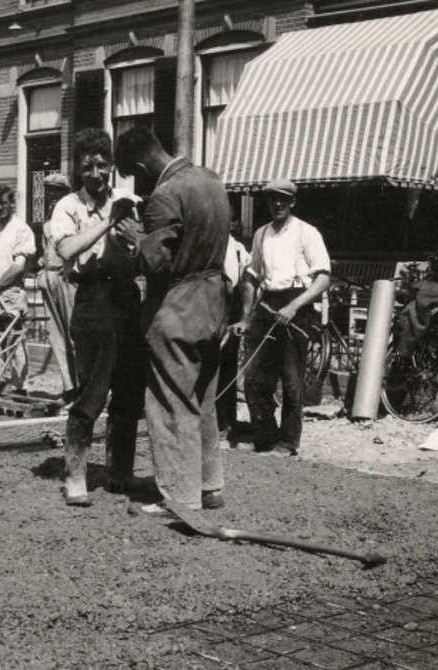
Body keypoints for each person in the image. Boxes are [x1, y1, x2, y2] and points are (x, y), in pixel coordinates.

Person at [111, 126, 230, 516]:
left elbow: (158, 265)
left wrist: (137, 238)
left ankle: (180, 497)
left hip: (179, 306)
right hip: (215, 301)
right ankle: (210, 486)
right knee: (204, 399)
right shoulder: (211, 179)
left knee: (171, 401)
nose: (137, 183)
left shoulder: (165, 194)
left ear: (141, 165)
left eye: (133, 174)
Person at [52, 128, 146, 506]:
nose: (96, 174)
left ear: (111, 166)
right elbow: (66, 251)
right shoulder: (68, 207)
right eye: (88, 167)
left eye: (102, 166)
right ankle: (75, 475)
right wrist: (108, 223)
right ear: (77, 169)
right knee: (92, 390)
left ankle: (120, 472)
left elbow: (141, 251)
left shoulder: (127, 200)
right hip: (92, 299)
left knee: (128, 390)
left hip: (126, 298)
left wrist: (134, 236)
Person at [230, 178, 330, 456]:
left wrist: (294, 306)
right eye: (272, 198)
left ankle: (288, 442)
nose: (277, 203)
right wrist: (245, 317)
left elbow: (323, 279)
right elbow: (252, 277)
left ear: (292, 202)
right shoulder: (262, 234)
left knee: (291, 379)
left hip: (297, 304)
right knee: (255, 377)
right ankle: (264, 435)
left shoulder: (307, 232)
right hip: (268, 304)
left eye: (282, 198)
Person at [0, 184, 36, 394]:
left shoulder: (21, 229)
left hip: (10, 293)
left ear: (12, 203)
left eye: (3, 203)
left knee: (14, 340)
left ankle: (20, 387)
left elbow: (19, 266)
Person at [37, 173, 77, 406]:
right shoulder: (47, 222)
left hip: (67, 278)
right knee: (56, 335)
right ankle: (69, 387)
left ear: (65, 193)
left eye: (57, 191)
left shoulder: (72, 215)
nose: (52, 195)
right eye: (49, 191)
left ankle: (84, 388)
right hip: (50, 277)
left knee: (73, 334)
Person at [216, 211, 252, 441]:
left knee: (227, 367)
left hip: (231, 310)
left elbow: (246, 284)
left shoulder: (238, 249)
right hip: (209, 308)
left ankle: (226, 421)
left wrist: (244, 317)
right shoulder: (206, 242)